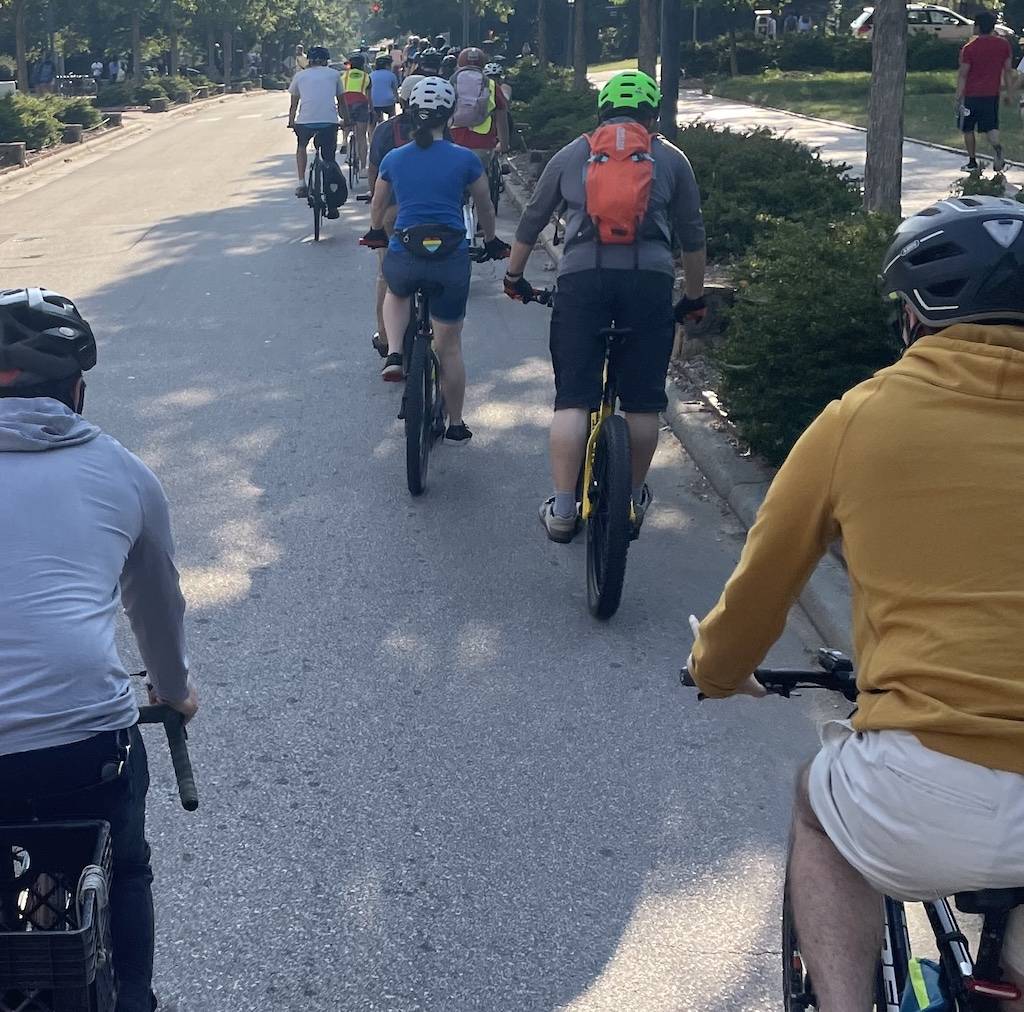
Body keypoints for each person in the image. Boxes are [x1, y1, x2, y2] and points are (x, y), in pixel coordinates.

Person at [687, 195, 1024, 1010]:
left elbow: (765, 581)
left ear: (914, 315)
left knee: (818, 812)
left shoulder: (861, 418)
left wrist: (720, 668)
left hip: (929, 787)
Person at [0, 287, 197, 1012]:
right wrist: (174, 692)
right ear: (77, 389)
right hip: (80, 748)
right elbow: (157, 607)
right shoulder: (124, 473)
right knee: (123, 869)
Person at [504, 70, 707, 542]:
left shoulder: (574, 153)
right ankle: (633, 498)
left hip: (583, 282)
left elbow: (532, 220)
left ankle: (561, 508)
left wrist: (514, 277)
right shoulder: (671, 159)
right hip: (648, 285)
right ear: (653, 115)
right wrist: (693, 297)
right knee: (641, 402)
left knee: (573, 398)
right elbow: (693, 237)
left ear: (601, 112)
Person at [360, 77, 510, 441]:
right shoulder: (464, 159)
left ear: (410, 114)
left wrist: (377, 230)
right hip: (450, 256)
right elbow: (485, 206)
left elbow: (378, 204)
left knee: (396, 289)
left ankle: (395, 353)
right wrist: (490, 240)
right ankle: (456, 422)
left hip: (408, 249)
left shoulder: (395, 159)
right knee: (450, 346)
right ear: (449, 115)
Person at [366, 74, 424, 355]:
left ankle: (386, 337)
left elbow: (374, 174)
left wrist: (375, 218)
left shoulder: (385, 131)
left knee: (385, 274)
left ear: (401, 100)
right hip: (432, 216)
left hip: (392, 214)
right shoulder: (442, 133)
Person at [287, 45, 345, 215]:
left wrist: (291, 121)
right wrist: (345, 120)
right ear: (326, 60)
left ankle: (301, 183)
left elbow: (294, 104)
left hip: (305, 123)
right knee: (329, 159)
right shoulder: (334, 75)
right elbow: (342, 102)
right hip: (329, 122)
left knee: (301, 146)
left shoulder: (300, 76)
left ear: (309, 60)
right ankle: (332, 205)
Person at [957, 10, 1013, 172]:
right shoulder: (1003, 45)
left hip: (971, 95)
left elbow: (963, 74)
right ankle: (997, 148)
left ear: (978, 26)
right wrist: (1009, 93)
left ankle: (972, 161)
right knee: (991, 126)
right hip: (992, 94)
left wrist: (958, 95)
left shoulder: (969, 48)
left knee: (968, 128)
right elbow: (1008, 71)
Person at [449, 47, 510, 170]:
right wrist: (504, 146)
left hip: (454, 142)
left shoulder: (450, 83)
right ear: (483, 64)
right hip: (483, 144)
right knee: (483, 179)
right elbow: (502, 120)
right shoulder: (492, 85)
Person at [341, 52, 372, 175]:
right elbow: (369, 98)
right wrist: (372, 110)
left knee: (346, 121)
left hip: (346, 103)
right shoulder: (367, 77)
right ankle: (363, 168)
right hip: (361, 103)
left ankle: (344, 141)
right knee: (361, 137)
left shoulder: (343, 76)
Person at [370, 53, 400, 123]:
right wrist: (397, 99)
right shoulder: (391, 75)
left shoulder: (371, 75)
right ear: (387, 65)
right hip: (388, 101)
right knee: (392, 115)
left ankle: (372, 133)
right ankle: (392, 126)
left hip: (374, 101)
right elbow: (394, 90)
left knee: (373, 121)